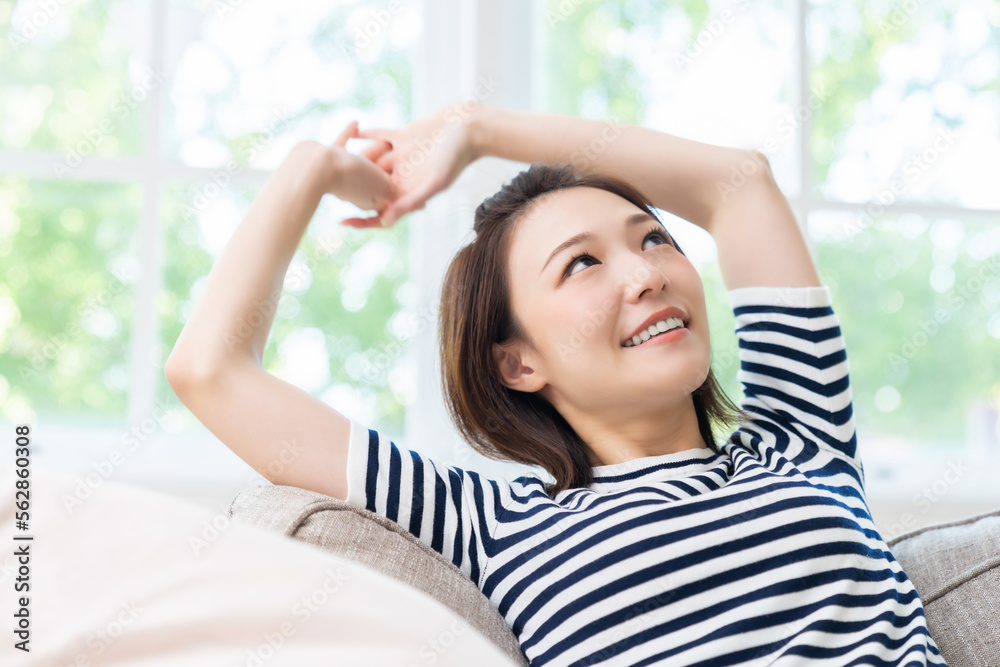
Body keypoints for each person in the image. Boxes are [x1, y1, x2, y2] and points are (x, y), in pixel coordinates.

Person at [165, 101, 947, 666]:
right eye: (582, 263)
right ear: (518, 362)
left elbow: (738, 182)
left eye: (654, 238)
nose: (647, 273)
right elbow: (209, 370)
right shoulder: (488, 523)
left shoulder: (801, 437)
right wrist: (310, 169)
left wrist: (477, 128)